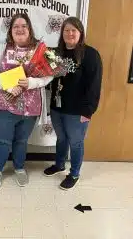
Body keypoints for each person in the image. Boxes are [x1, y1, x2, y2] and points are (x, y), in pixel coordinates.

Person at [0, 13, 53, 191]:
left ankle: (19, 167)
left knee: (22, 140)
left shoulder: (40, 50)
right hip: (6, 104)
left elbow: (48, 75)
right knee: (3, 140)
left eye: (24, 26)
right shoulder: (1, 48)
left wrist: (31, 82)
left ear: (29, 29)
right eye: (16, 26)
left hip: (31, 107)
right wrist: (8, 86)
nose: (20, 29)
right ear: (11, 30)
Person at [44, 16, 102, 190]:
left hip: (78, 111)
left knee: (76, 142)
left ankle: (74, 173)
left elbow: (95, 85)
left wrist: (88, 111)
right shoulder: (55, 53)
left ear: (80, 33)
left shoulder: (90, 54)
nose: (70, 33)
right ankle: (59, 164)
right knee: (61, 139)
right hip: (57, 107)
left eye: (73, 30)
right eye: (66, 30)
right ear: (62, 33)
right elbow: (47, 76)